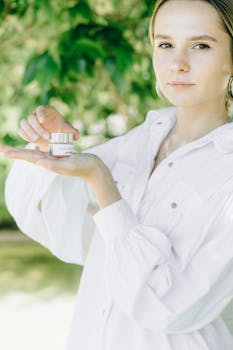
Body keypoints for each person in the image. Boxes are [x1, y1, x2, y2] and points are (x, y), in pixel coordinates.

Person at [0, 0, 233, 349]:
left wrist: (103, 185)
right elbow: (62, 230)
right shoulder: (137, 142)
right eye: (165, 44)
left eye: (200, 45)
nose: (178, 63)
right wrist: (53, 146)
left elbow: (170, 307)